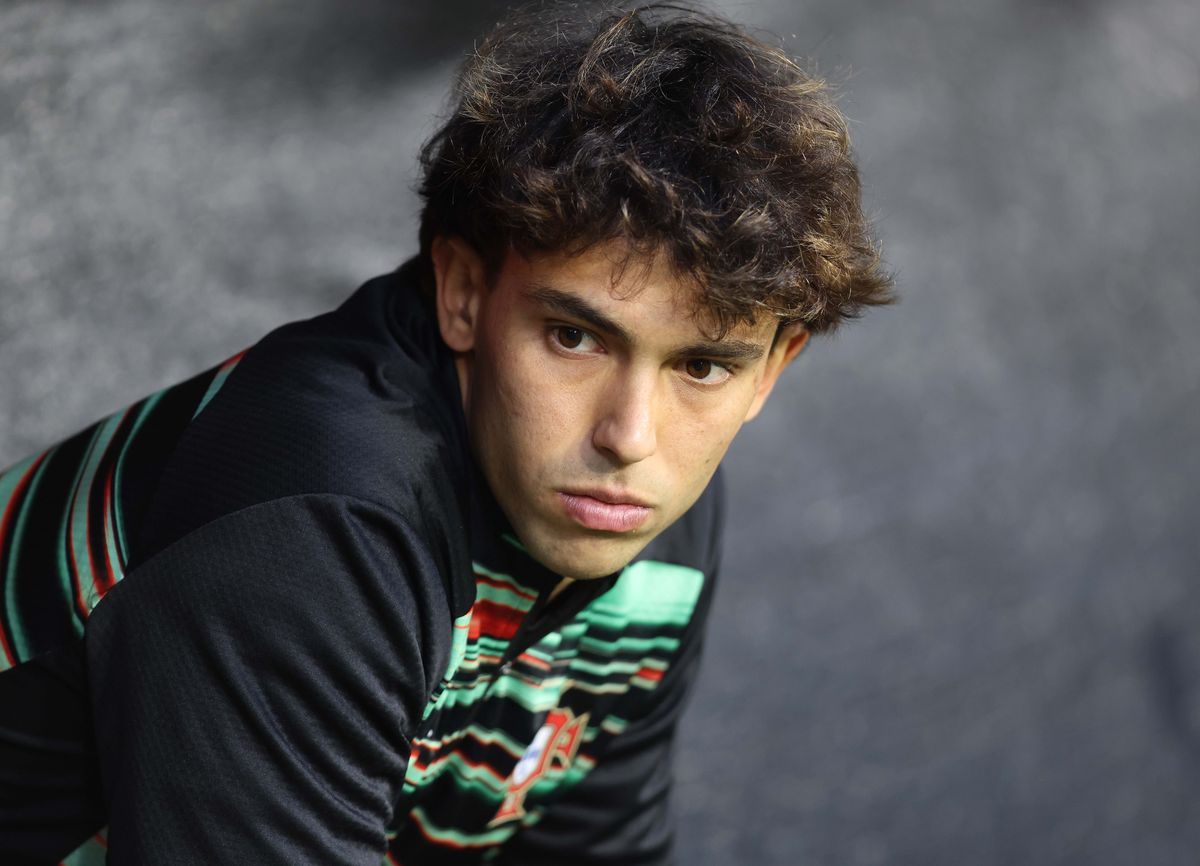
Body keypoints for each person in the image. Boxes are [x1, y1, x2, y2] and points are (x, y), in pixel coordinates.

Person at [0, 3, 892, 863]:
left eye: (702, 366)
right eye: (574, 337)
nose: (630, 436)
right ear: (463, 293)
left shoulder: (637, 513)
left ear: (770, 370)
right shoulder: (319, 523)